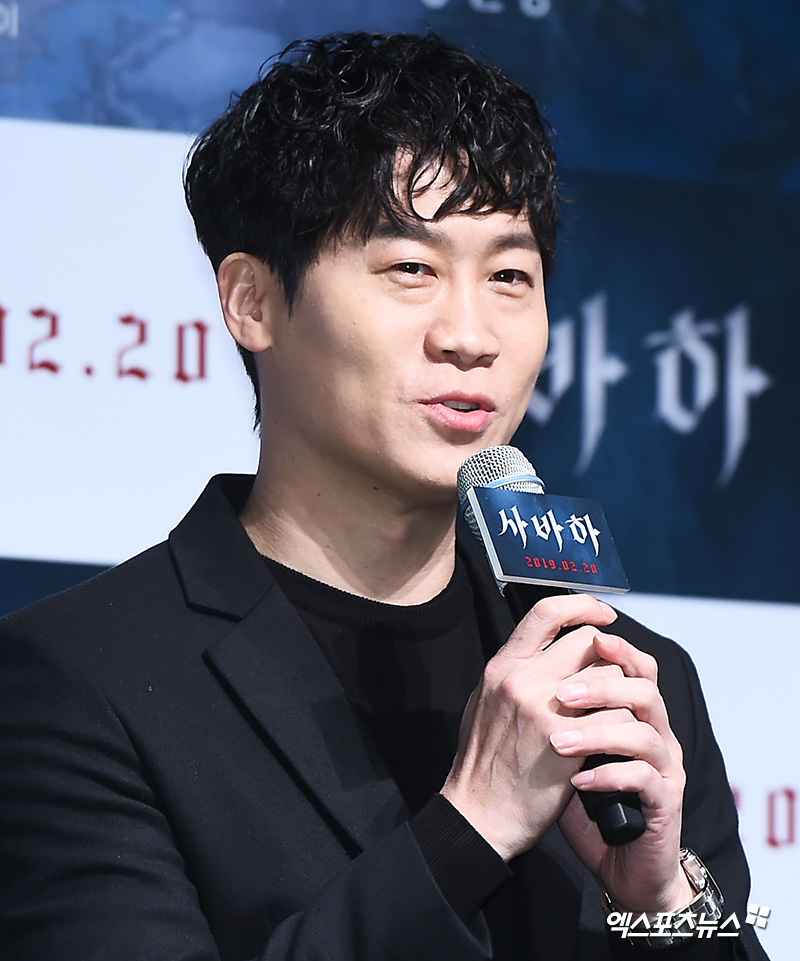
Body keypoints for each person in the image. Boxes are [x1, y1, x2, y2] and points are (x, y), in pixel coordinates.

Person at [0, 31, 768, 961]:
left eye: (510, 276)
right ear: (252, 301)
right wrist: (469, 828)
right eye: (412, 268)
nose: (471, 335)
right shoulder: (79, 681)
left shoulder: (629, 681)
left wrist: (665, 903)